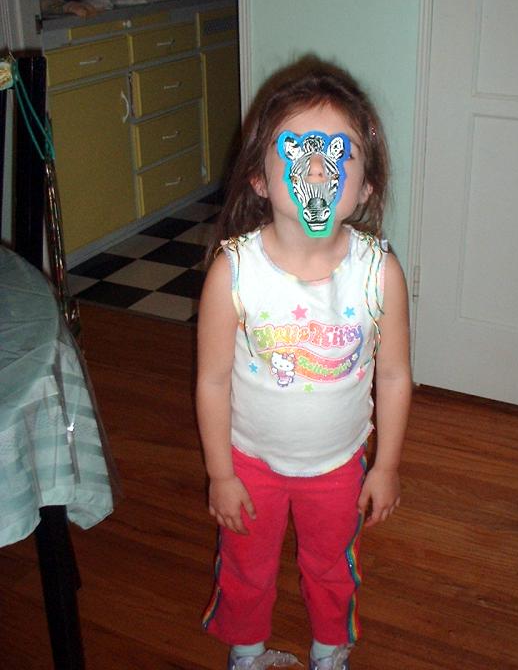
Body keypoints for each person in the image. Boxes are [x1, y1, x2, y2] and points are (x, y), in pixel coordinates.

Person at [196, 57, 412, 670]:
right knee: (246, 563)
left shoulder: (379, 273)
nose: (317, 166)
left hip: (339, 466)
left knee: (331, 565)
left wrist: (387, 465)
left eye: (339, 152)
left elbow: (395, 376)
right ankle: (245, 653)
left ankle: (329, 652)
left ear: (365, 187)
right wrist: (220, 474)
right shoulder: (233, 272)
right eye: (296, 148)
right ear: (259, 179)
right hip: (249, 462)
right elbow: (212, 380)